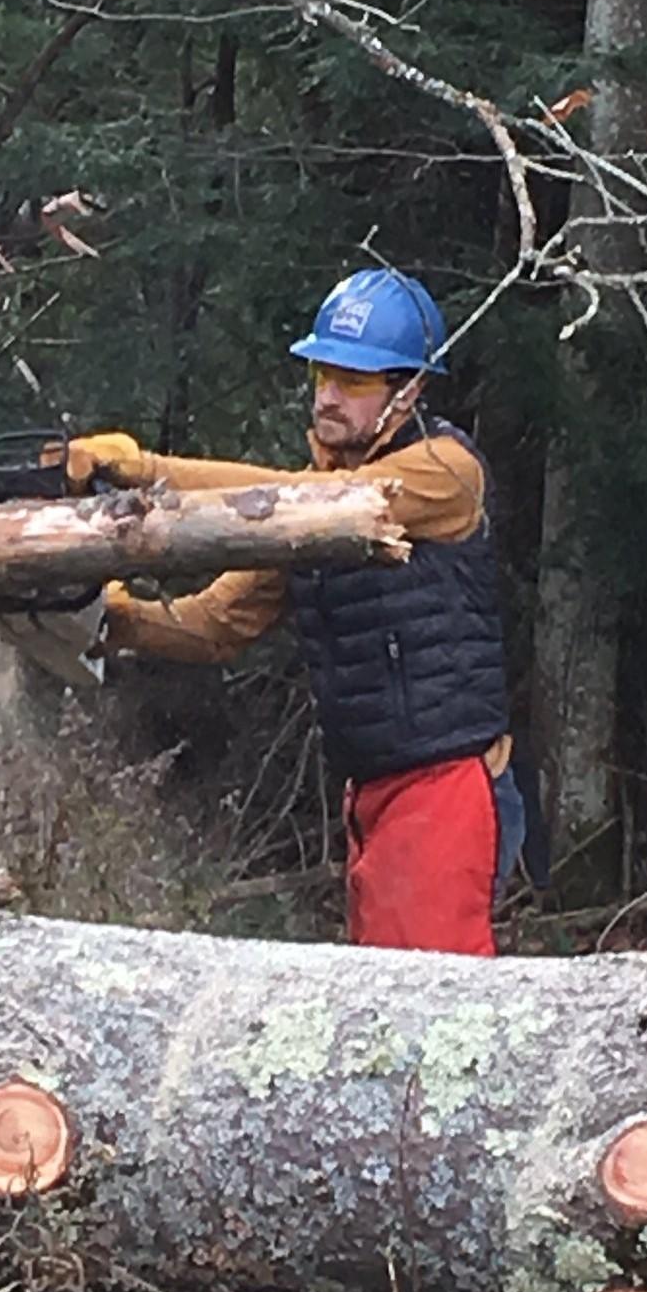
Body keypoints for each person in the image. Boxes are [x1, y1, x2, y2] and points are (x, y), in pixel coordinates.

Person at [67, 267, 521, 957]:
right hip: (371, 796)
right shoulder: (301, 510)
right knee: (379, 1003)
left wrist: (147, 470)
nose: (330, 398)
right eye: (322, 378)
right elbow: (218, 624)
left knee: (429, 1009)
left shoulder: (444, 471)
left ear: (410, 390)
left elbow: (317, 504)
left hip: (445, 790)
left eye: (355, 382)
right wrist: (113, 618)